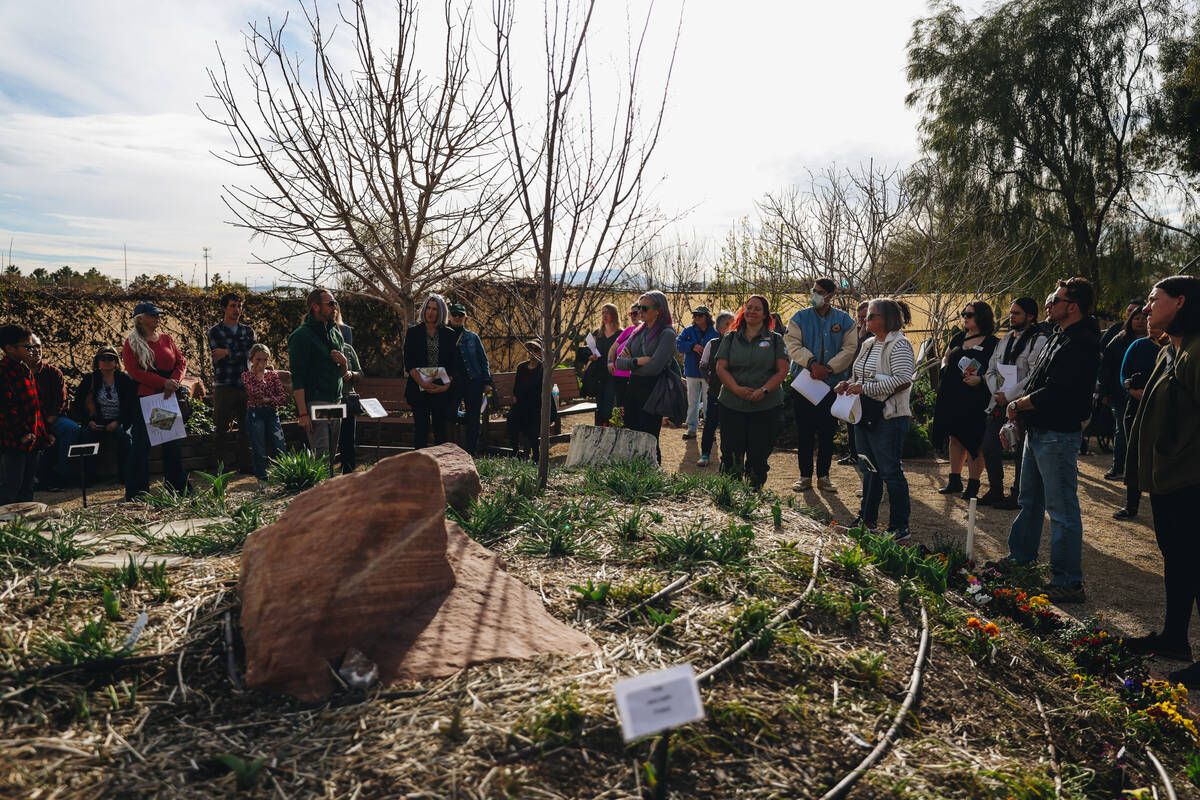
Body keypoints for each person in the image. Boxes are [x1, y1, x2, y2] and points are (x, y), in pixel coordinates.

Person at [996, 277, 1101, 603]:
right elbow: (1037, 378)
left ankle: (1068, 581)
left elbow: (1057, 390)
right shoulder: (1058, 334)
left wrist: (1017, 405)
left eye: (1054, 300)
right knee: (1030, 500)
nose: (1047, 305)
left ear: (1073, 306)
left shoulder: (1081, 341)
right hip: (1038, 431)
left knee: (1061, 510)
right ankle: (1021, 559)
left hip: (1057, 434)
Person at [1121, 275, 1200, 685]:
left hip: (1191, 480)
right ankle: (1174, 637)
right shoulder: (1170, 351)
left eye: (1154, 300)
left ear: (1181, 302)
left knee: (1195, 561)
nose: (1144, 310)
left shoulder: (1197, 352)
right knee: (1178, 558)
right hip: (1170, 479)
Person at [836, 299, 916, 540]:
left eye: (871, 316)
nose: (865, 320)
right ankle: (867, 521)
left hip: (889, 417)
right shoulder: (868, 343)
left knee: (891, 471)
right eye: (865, 317)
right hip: (866, 414)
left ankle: (899, 527)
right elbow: (857, 375)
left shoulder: (900, 344)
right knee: (869, 469)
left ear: (887, 318)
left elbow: (903, 380)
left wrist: (864, 387)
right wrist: (847, 384)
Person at [784, 278, 858, 493]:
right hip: (805, 384)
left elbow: (849, 348)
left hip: (833, 386)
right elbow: (792, 345)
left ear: (831, 295)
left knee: (828, 432)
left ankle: (824, 477)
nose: (815, 295)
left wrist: (829, 368)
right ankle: (804, 476)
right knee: (805, 432)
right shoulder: (799, 318)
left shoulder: (845, 320)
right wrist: (811, 363)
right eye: (813, 291)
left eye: (820, 292)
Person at [714, 296, 789, 488]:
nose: (752, 312)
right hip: (732, 404)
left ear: (765, 314)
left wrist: (763, 390)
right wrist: (737, 389)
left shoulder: (775, 339)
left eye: (757, 309)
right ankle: (730, 498)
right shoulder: (730, 338)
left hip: (765, 406)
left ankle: (754, 498)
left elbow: (782, 370)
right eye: (749, 308)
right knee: (731, 455)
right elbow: (721, 367)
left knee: (758, 457)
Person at [979, 298, 1046, 508]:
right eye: (1011, 312)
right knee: (989, 446)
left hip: (1021, 404)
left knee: (1020, 452)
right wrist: (997, 392)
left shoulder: (1039, 341)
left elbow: (1035, 376)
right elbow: (990, 369)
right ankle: (995, 489)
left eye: (1016, 313)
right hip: (998, 401)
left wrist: (1010, 396)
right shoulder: (1004, 339)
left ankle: (1018, 494)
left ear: (1030, 316)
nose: (1011, 316)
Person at [123, 301, 189, 501]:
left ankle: (177, 489)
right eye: (152, 315)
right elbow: (134, 372)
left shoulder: (167, 339)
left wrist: (174, 382)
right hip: (148, 399)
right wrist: (163, 383)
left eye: (157, 314)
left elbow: (181, 362)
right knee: (142, 447)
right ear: (140, 318)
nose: (157, 317)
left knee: (171, 445)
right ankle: (138, 493)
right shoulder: (131, 343)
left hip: (166, 398)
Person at [933, 301, 999, 500]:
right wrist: (944, 366)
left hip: (976, 396)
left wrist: (980, 379)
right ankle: (954, 480)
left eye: (969, 314)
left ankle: (973, 483)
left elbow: (997, 370)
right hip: (952, 393)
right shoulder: (958, 337)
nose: (965, 317)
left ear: (981, 317)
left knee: (974, 440)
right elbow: (946, 356)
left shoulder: (992, 342)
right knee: (955, 437)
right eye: (964, 314)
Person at [613, 290, 678, 458]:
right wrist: (639, 361)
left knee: (649, 439)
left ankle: (653, 479)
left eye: (644, 308)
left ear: (658, 310)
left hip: (653, 391)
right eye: (639, 307)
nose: (639, 311)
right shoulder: (637, 332)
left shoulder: (667, 334)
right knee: (633, 436)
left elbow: (655, 368)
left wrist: (631, 362)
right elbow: (619, 362)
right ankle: (636, 477)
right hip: (634, 389)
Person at [1113, 319, 1166, 519]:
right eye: (1149, 322)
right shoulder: (1138, 345)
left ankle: (1161, 506)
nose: (1151, 324)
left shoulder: (1171, 348)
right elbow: (1123, 374)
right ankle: (1131, 505)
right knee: (1133, 455)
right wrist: (1132, 390)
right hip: (1135, 406)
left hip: (1160, 408)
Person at [287, 288, 348, 463]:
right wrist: (303, 413)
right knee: (322, 454)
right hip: (316, 401)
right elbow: (297, 377)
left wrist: (344, 363)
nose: (334, 307)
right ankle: (319, 489)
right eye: (330, 303)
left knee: (332, 454)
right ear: (315, 307)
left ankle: (330, 489)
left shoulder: (335, 332)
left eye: (335, 303)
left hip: (335, 400)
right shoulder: (300, 336)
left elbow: (342, 373)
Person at [72, 346, 137, 486]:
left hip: (119, 421)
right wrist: (88, 421)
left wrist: (118, 422)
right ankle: (87, 479)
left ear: (116, 361)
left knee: (125, 437)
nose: (107, 361)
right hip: (96, 421)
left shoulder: (124, 379)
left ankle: (126, 477)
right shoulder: (90, 379)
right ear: (97, 361)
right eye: (103, 358)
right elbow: (77, 404)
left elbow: (132, 405)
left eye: (111, 358)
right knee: (86, 436)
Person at [206, 292, 256, 473]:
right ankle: (221, 467)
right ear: (224, 308)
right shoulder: (214, 331)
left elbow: (253, 354)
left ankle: (247, 464)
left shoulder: (248, 331)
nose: (237, 310)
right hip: (224, 384)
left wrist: (227, 352)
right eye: (233, 306)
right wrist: (238, 352)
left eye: (239, 306)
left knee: (247, 427)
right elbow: (221, 356)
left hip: (245, 385)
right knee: (221, 429)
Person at [403, 294, 461, 449]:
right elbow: (408, 362)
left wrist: (446, 386)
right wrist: (421, 382)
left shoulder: (449, 334)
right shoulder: (413, 332)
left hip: (440, 389)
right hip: (418, 387)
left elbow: (453, 364)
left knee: (440, 431)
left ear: (440, 311)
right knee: (421, 430)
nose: (430, 312)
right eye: (428, 308)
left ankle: (441, 468)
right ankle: (419, 469)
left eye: (435, 309)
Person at [0, 324, 50, 504]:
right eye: (27, 347)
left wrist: (41, 433)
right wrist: (22, 433)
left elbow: (35, 406)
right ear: (10, 348)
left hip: (32, 438)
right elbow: (7, 407)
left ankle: (24, 527)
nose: (32, 350)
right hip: (14, 439)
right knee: (11, 485)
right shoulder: (4, 372)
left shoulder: (24, 369)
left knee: (28, 486)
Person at [23, 334, 78, 492]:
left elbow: (60, 402)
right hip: (27, 421)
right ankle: (28, 478)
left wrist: (45, 427)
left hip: (52, 419)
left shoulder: (54, 373)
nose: (36, 350)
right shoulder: (17, 374)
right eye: (31, 347)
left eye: (38, 346)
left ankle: (59, 475)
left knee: (71, 429)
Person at [1098, 306, 1146, 480]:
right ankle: (1118, 467)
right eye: (1137, 318)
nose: (1141, 322)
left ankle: (1141, 471)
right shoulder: (1120, 339)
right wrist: (1104, 391)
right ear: (1130, 320)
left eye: (1144, 318)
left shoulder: (1157, 340)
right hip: (1120, 393)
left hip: (1147, 394)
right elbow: (1107, 367)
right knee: (1121, 430)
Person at [447, 303, 494, 455]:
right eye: (454, 314)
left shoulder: (473, 337)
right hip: (452, 384)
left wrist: (487, 382)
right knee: (450, 413)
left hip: (474, 382)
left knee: (474, 421)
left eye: (460, 315)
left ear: (464, 318)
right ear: (449, 316)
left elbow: (483, 360)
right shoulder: (444, 335)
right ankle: (466, 417)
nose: (457, 317)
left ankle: (471, 453)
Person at [242, 344, 290, 489]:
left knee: (280, 445)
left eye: (265, 359)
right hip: (255, 414)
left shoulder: (273, 375)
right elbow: (255, 393)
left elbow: (283, 398)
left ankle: (285, 475)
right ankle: (262, 478)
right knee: (259, 448)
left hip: (272, 414)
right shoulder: (246, 376)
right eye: (258, 359)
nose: (262, 363)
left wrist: (268, 400)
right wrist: (260, 376)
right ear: (251, 359)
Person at [696, 310, 734, 467]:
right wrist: (709, 379)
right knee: (710, 424)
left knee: (730, 427)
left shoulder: (739, 344)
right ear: (719, 328)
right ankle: (705, 454)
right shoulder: (712, 344)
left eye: (733, 323)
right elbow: (703, 365)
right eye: (727, 324)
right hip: (714, 392)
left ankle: (728, 459)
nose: (731, 327)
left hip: (733, 394)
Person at [507, 341, 556, 459]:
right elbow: (516, 390)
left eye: (536, 350)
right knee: (512, 418)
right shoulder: (521, 367)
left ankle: (536, 455)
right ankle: (516, 453)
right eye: (530, 350)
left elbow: (543, 392)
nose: (532, 353)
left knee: (533, 420)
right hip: (522, 404)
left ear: (542, 352)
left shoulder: (544, 368)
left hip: (537, 405)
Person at [676, 306, 719, 440]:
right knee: (692, 402)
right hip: (692, 371)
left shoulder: (715, 331)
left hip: (709, 373)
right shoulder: (688, 330)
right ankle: (691, 429)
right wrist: (692, 346)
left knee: (709, 402)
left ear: (706, 317)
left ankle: (709, 431)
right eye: (694, 315)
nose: (696, 318)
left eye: (699, 315)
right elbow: (678, 345)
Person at [839, 301, 872, 467]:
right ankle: (853, 453)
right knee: (851, 421)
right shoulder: (856, 333)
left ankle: (864, 457)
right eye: (859, 317)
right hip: (851, 381)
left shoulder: (875, 337)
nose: (862, 321)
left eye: (865, 317)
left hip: (867, 387)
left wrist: (864, 334)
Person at [581, 304, 622, 428]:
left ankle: (608, 430)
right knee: (599, 405)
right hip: (598, 374)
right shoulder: (597, 333)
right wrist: (590, 356)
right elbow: (589, 349)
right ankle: (599, 429)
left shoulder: (621, 333)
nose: (604, 315)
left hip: (612, 373)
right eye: (603, 312)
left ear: (614, 315)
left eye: (607, 312)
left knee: (608, 406)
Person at [607, 303, 642, 412]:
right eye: (631, 314)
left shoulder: (646, 332)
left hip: (633, 376)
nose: (633, 316)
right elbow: (613, 348)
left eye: (635, 313)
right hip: (618, 374)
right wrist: (610, 362)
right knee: (620, 408)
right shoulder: (628, 330)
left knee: (632, 408)